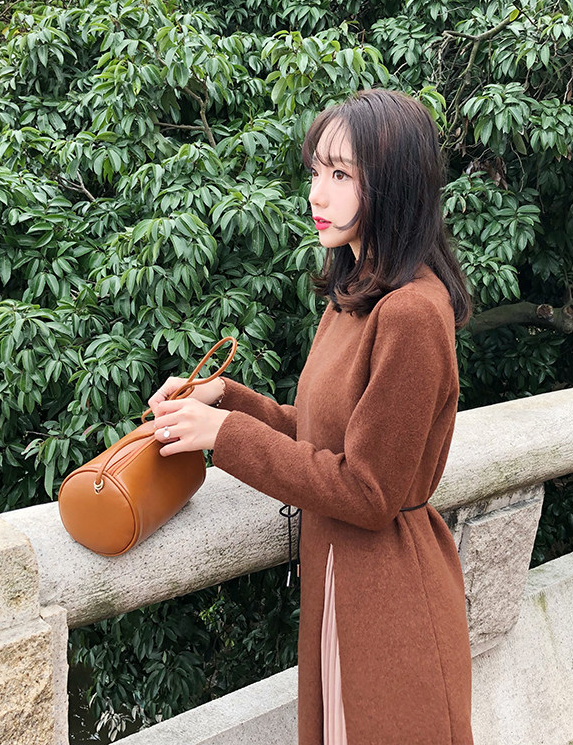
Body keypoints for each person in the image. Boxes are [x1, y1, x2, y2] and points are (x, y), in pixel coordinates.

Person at [148, 88, 474, 744]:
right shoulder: (356, 293)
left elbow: (368, 489)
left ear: (394, 186)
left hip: (389, 602)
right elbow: (321, 434)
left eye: (342, 174)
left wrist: (226, 437)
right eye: (317, 171)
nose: (317, 195)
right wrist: (224, 400)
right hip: (343, 583)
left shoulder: (411, 313)